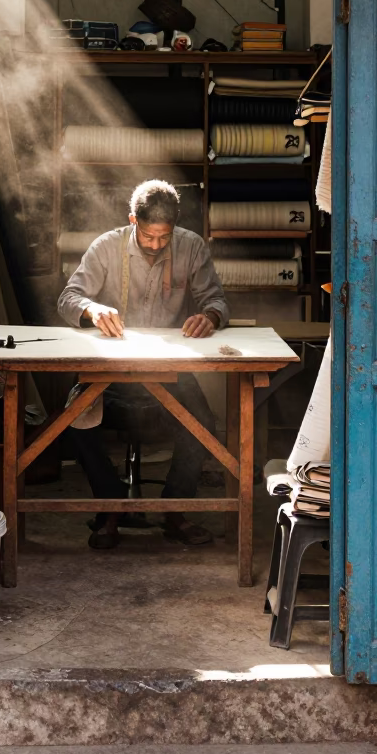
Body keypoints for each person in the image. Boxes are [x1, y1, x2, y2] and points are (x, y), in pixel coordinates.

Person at [57, 179, 229, 550]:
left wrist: (210, 317)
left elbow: (216, 300)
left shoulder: (191, 247)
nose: (155, 246)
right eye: (148, 236)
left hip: (169, 371)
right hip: (110, 373)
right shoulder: (106, 247)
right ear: (133, 219)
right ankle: (111, 504)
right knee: (72, 418)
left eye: (163, 238)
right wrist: (91, 308)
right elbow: (68, 298)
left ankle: (174, 509)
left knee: (203, 423)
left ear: (175, 227)